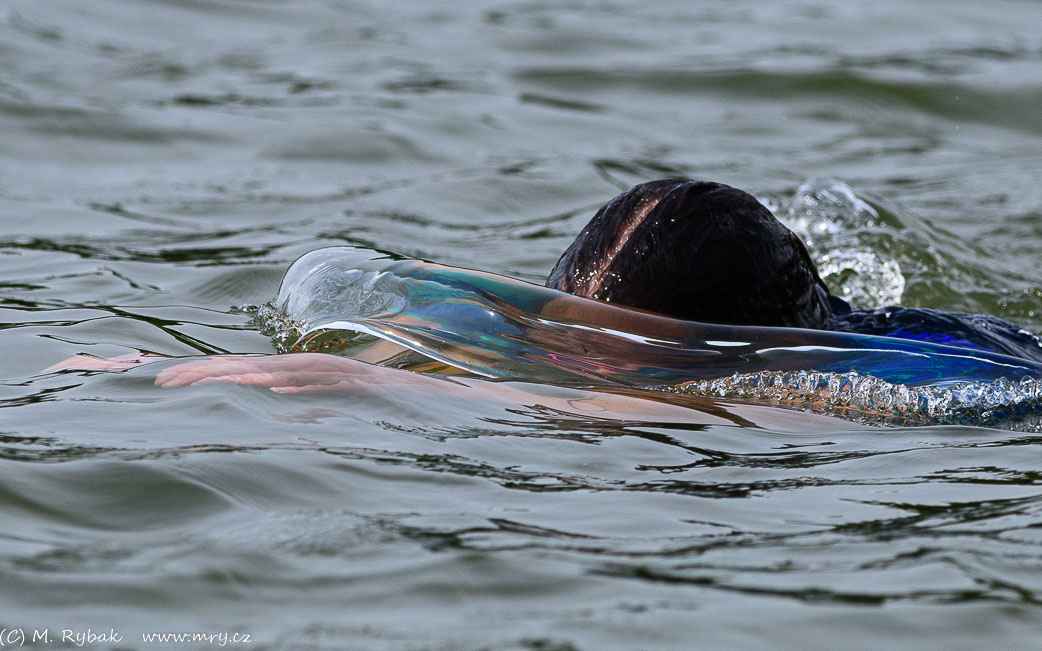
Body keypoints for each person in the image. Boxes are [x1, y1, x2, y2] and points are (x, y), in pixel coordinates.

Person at [46, 179, 1042, 406]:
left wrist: (383, 391)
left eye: (620, 348)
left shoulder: (878, 382)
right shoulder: (559, 341)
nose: (580, 365)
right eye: (569, 333)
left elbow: (583, 398)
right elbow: (510, 357)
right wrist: (188, 368)